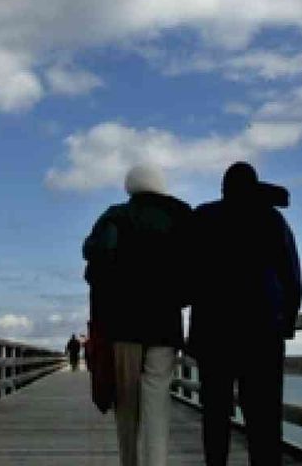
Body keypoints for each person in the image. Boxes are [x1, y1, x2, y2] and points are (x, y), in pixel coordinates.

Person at [187, 161, 302, 466]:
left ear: (223, 189)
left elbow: (188, 275)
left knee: (215, 415)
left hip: (214, 334)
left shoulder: (203, 218)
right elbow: (292, 279)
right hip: (263, 333)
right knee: (264, 418)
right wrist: (286, 324)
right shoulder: (272, 219)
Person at [83, 164, 193, 466]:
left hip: (123, 327)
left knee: (127, 405)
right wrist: (174, 301)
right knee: (157, 400)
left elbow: (93, 266)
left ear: (129, 187)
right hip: (164, 326)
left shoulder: (115, 216)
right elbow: (195, 274)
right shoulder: (182, 217)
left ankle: (129, 461)